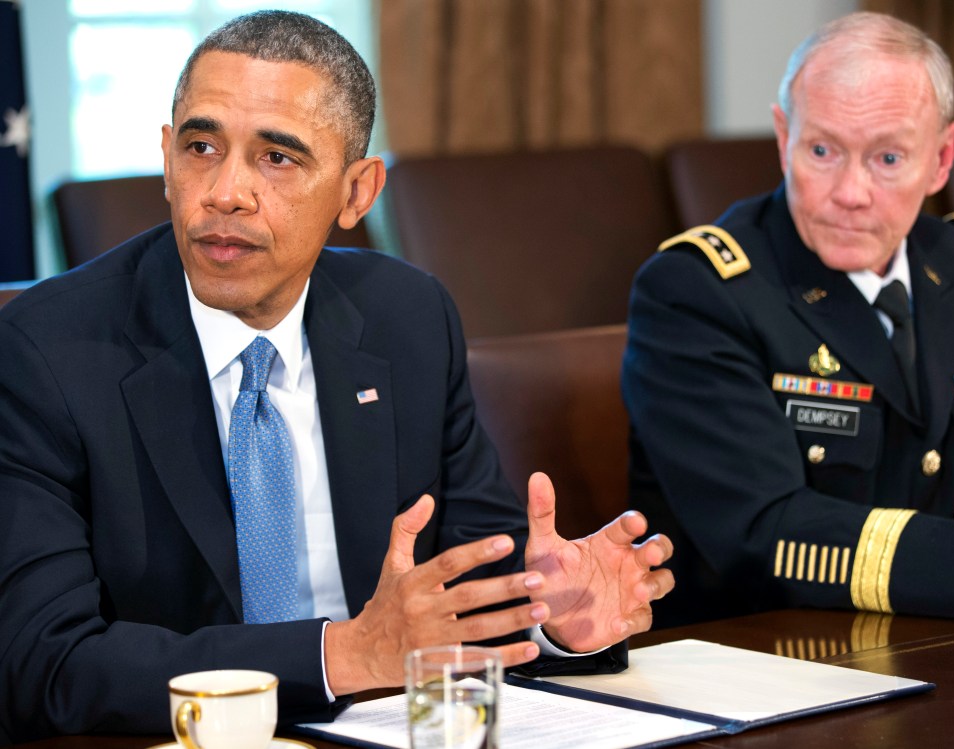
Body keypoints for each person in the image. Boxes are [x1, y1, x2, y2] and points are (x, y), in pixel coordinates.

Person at [0, 11, 673, 744]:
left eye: (277, 158)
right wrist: (343, 655)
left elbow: (469, 591)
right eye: (201, 147)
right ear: (166, 159)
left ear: (358, 192)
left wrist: (552, 618)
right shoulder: (47, 352)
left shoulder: (407, 319)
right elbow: (42, 664)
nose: (225, 191)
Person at [623, 11, 954, 629]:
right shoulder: (697, 293)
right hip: (761, 653)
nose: (850, 192)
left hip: (953, 640)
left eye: (887, 158)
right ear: (783, 138)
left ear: (942, 158)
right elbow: (761, 528)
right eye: (822, 151)